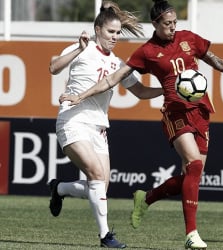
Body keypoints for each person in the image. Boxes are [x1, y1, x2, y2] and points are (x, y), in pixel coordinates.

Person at [60, 0, 223, 248]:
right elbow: (112, 79)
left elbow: (218, 63)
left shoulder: (189, 38)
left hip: (200, 109)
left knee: (194, 173)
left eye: (174, 23)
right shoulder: (146, 51)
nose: (172, 27)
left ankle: (146, 198)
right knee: (193, 164)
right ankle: (191, 234)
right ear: (156, 24)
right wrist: (80, 96)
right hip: (174, 111)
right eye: (167, 24)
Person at [48, 1, 163, 248]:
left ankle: (60, 189)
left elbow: (141, 92)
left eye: (118, 32)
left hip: (99, 127)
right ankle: (105, 236)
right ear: (97, 29)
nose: (115, 37)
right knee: (97, 176)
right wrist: (77, 50)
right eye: (111, 32)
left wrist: (167, 90)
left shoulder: (118, 64)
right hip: (73, 120)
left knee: (99, 185)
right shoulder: (83, 48)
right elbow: (53, 67)